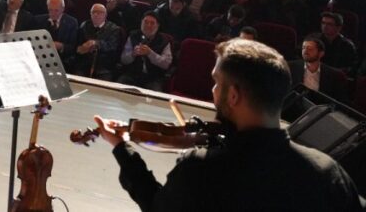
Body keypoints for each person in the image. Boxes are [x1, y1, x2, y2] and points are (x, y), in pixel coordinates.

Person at [93, 39, 363, 211]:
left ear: (233, 95)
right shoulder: (326, 172)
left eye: (216, 82)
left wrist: (121, 148)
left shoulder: (202, 169)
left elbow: (155, 205)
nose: (212, 91)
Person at [117, 12, 173, 91]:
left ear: (157, 26)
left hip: (154, 77)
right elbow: (123, 59)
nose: (148, 26)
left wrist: (150, 53)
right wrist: (133, 54)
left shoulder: (164, 40)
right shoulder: (133, 35)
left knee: (155, 94)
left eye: (152, 23)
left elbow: (166, 64)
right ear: (141, 23)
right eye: (145, 22)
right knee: (119, 87)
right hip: (132, 74)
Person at [288, 36, 350, 102]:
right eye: (303, 48)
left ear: (321, 54)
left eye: (310, 49)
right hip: (294, 108)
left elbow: (340, 100)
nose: (305, 51)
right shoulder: (290, 67)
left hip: (320, 109)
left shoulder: (334, 75)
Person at [72, 3, 121, 80]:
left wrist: (96, 43)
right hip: (85, 64)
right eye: (93, 12)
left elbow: (112, 47)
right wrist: (81, 49)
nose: (96, 15)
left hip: (103, 66)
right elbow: (77, 45)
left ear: (105, 15)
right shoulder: (84, 25)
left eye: (99, 12)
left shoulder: (113, 29)